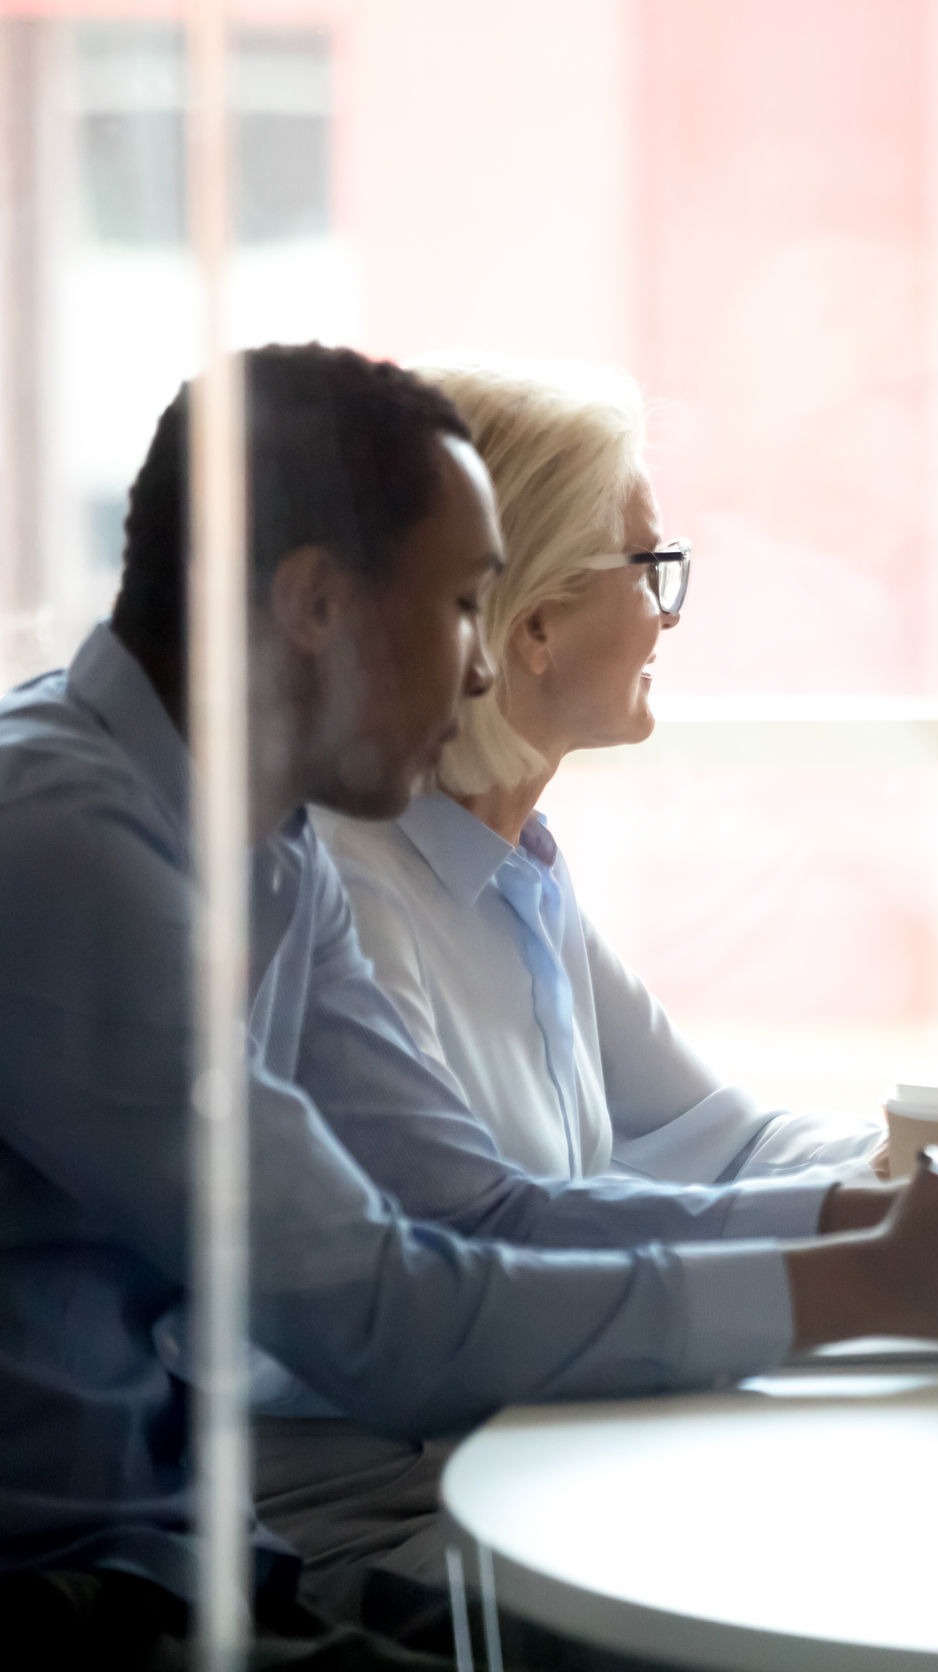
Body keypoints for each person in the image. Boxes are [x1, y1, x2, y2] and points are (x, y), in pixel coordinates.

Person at [0, 344, 938, 1671]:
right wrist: (876, 1276)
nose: (477, 673)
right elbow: (384, 1319)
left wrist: (877, 1216)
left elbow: (479, 1208)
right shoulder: (62, 845)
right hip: (79, 1599)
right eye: (464, 607)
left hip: (201, 1567)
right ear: (312, 605)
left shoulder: (276, 849)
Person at [308, 356, 886, 1189]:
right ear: (535, 623)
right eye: (650, 570)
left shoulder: (519, 876)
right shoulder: (352, 895)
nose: (670, 613)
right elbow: (472, 1250)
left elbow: (724, 1142)